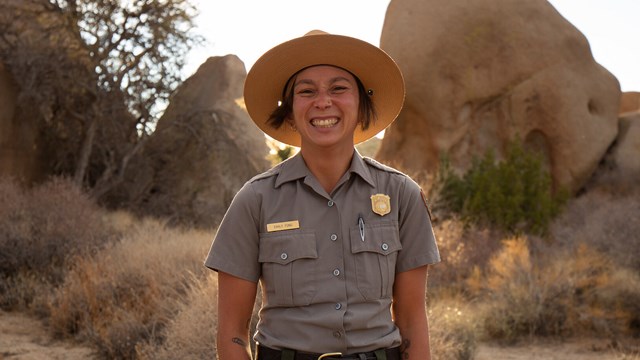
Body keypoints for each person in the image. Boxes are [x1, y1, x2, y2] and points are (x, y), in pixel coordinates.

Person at [205, 30, 440, 360]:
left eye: (339, 88)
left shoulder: (401, 194)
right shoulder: (255, 199)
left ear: (362, 105)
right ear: (289, 111)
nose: (323, 101)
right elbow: (231, 335)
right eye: (306, 91)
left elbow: (413, 323)